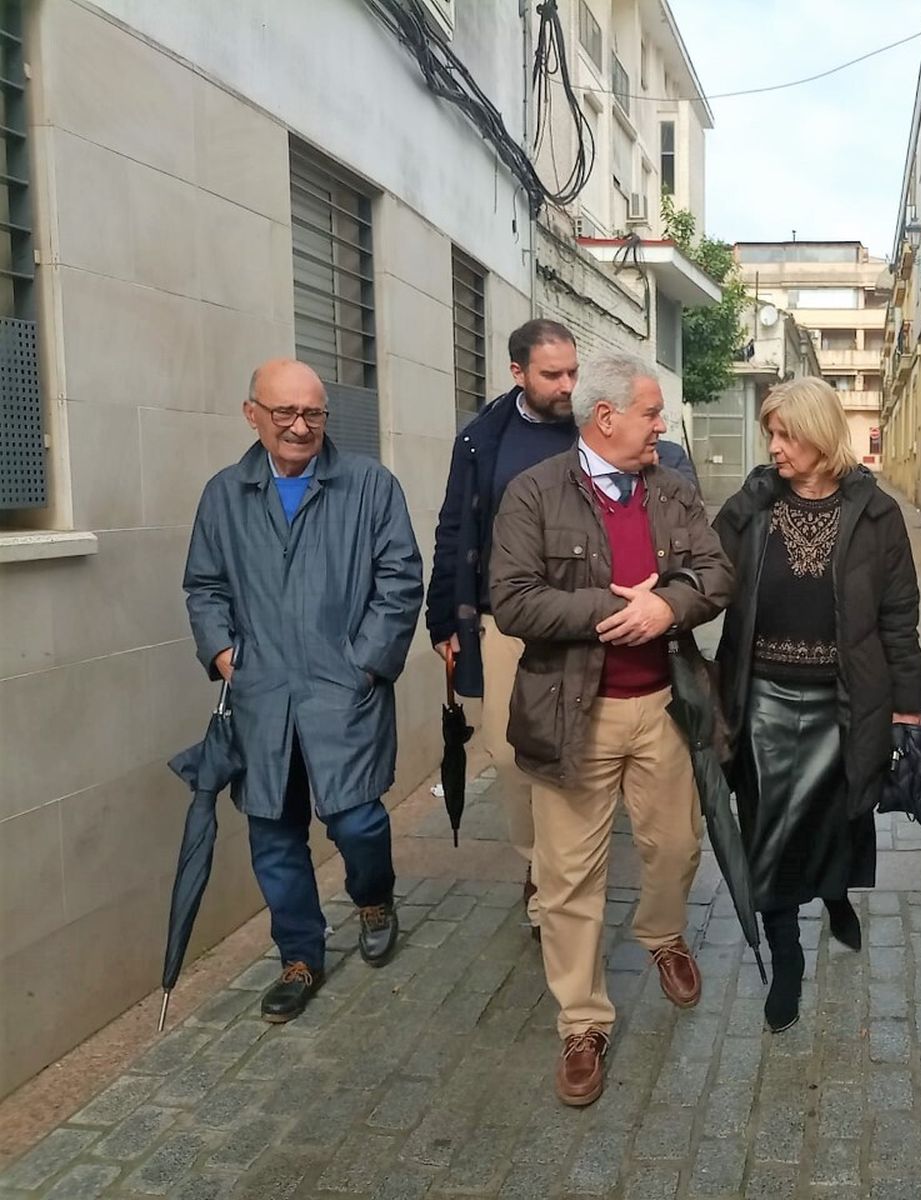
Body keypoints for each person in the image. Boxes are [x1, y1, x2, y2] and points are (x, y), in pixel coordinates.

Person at [488, 351, 731, 1106]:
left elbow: (717, 574)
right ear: (606, 418)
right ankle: (582, 1022)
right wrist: (612, 612)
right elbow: (513, 601)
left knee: (679, 848)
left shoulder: (673, 490)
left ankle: (661, 935)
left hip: (665, 706)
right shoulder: (532, 493)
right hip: (571, 715)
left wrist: (669, 607)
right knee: (567, 879)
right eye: (652, 413)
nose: (662, 426)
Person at [426, 319, 698, 941]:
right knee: (514, 754)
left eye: (574, 371)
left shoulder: (618, 437)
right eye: (553, 375)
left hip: (613, 622)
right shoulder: (483, 441)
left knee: (604, 754)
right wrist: (446, 617)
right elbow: (454, 529)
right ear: (518, 373)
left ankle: (576, 874)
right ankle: (540, 865)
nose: (567, 384)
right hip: (512, 617)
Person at [183, 359, 423, 1023]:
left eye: (312, 413)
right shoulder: (225, 495)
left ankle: (374, 897)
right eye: (284, 412)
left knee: (356, 819)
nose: (299, 425)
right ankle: (299, 955)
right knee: (273, 830)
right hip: (261, 695)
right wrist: (225, 653)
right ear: (251, 413)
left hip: (341, 688)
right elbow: (203, 586)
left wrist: (365, 666)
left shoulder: (369, 486)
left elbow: (401, 580)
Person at [713, 377, 921, 1033]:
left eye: (786, 434)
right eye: (769, 434)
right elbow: (703, 575)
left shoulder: (877, 514)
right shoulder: (752, 505)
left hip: (846, 700)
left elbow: (898, 619)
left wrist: (907, 710)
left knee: (835, 821)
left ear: (819, 435)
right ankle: (788, 957)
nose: (773, 446)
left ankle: (834, 894)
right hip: (764, 700)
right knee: (768, 836)